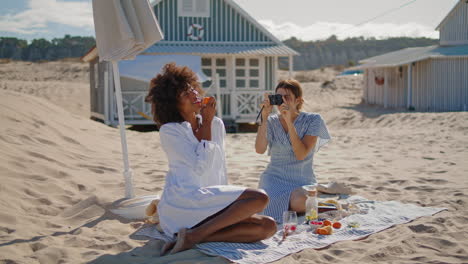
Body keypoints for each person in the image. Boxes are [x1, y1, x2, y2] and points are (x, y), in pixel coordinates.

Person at [145, 63, 276, 255]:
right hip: (183, 202)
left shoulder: (216, 124)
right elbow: (201, 167)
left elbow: (218, 167)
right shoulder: (171, 131)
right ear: (173, 104)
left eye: (192, 89)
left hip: (208, 202)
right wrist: (205, 122)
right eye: (184, 94)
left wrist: (227, 206)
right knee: (260, 198)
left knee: (268, 227)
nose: (194, 95)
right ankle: (194, 235)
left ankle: (195, 235)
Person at [254, 79, 331, 223]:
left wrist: (289, 121)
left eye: (287, 97)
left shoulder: (313, 120)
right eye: (278, 97)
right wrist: (264, 118)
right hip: (273, 179)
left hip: (301, 181)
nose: (282, 101)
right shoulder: (271, 121)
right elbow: (259, 149)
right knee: (260, 200)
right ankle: (289, 207)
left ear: (298, 100)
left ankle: (298, 206)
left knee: (301, 201)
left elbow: (301, 154)